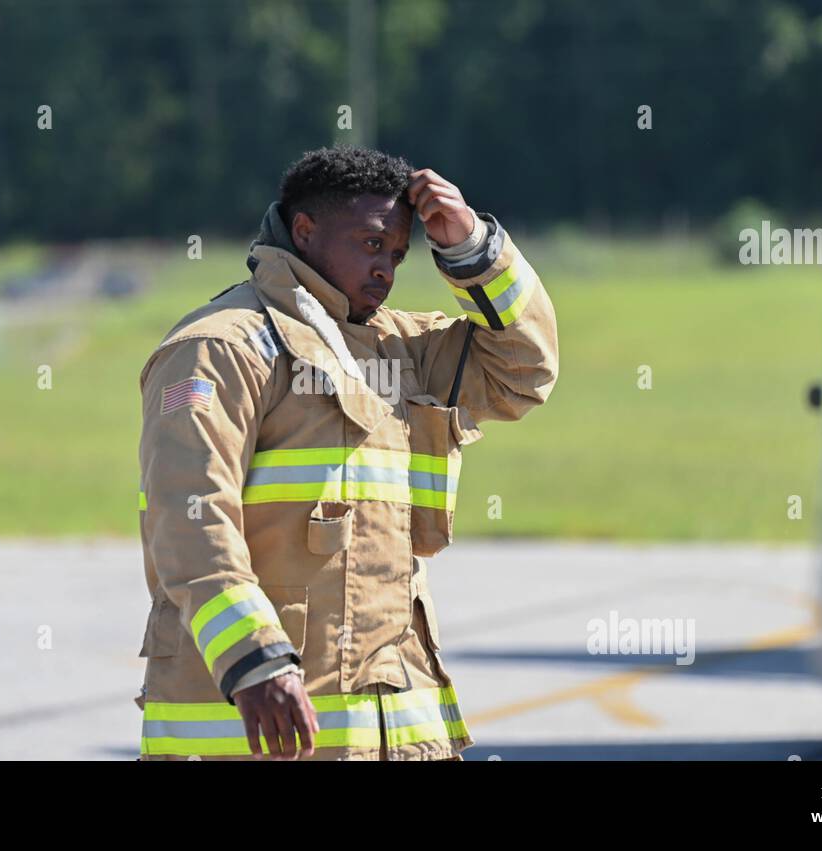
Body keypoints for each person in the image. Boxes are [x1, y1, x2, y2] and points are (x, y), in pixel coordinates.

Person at [135, 145, 558, 760]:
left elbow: (524, 372)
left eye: (397, 253)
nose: (386, 269)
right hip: (255, 729)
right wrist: (252, 661)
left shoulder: (400, 348)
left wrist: (470, 248)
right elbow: (189, 515)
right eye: (369, 244)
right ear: (304, 232)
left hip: (396, 730)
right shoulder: (220, 348)